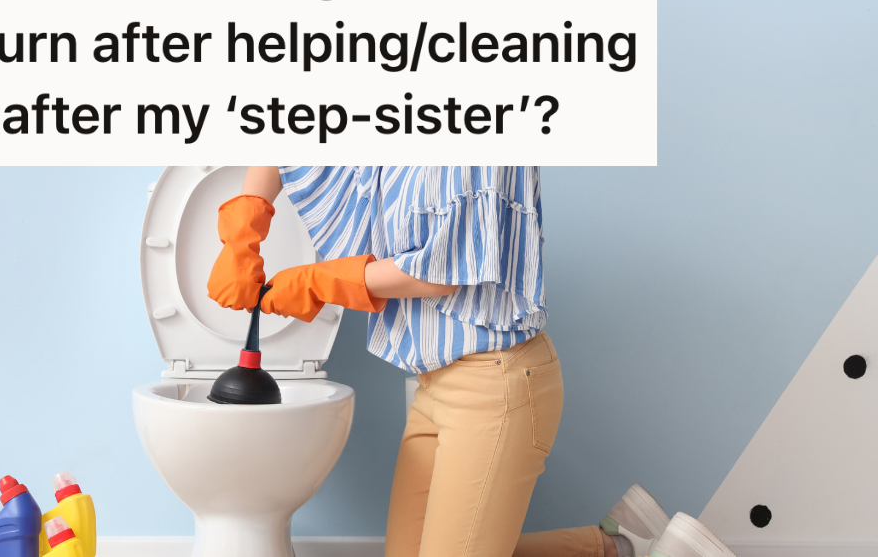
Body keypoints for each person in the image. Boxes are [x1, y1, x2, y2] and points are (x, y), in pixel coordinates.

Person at [207, 166, 735, 557]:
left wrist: (316, 281)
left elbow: (444, 269)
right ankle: (620, 546)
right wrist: (245, 226)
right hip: (432, 385)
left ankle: (624, 548)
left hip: (497, 385)